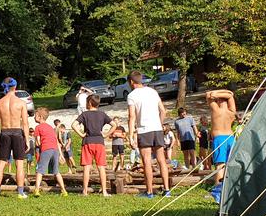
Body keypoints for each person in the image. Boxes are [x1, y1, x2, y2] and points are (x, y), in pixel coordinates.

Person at [126, 70, 171, 199]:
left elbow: (132, 116)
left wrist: (130, 135)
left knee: (146, 161)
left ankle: (149, 191)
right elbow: (163, 110)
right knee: (161, 160)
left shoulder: (132, 95)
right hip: (157, 129)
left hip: (143, 130)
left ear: (131, 82)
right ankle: (167, 190)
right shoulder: (152, 91)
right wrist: (159, 123)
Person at [0, 77, 30, 199]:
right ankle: (20, 192)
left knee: (0, 164)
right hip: (17, 133)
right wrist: (27, 140)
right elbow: (25, 123)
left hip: (4, 132)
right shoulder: (21, 103)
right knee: (19, 164)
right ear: (15, 87)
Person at [73, 94, 115, 196]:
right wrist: (106, 134)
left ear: (90, 103)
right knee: (101, 167)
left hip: (87, 142)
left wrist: (82, 135)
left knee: (87, 167)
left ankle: (85, 191)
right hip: (99, 142)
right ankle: (104, 191)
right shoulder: (102, 114)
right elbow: (114, 125)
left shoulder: (84, 114)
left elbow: (73, 125)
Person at [208, 89, 237, 199]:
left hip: (220, 138)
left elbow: (208, 95)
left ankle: (218, 194)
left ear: (218, 101)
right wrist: (227, 93)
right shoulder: (232, 112)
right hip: (231, 138)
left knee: (220, 165)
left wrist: (215, 93)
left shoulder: (216, 110)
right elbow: (231, 95)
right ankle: (229, 190)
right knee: (229, 165)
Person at [33, 107, 68, 197]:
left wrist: (38, 149)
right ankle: (64, 190)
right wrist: (60, 154)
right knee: (56, 172)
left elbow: (38, 142)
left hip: (46, 149)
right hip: (55, 150)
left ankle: (36, 190)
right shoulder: (50, 128)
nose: (34, 117)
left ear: (40, 116)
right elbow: (56, 141)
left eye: (35, 116)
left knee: (39, 171)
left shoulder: (38, 127)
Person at [173, 107, 199, 172]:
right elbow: (177, 131)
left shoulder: (190, 118)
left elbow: (194, 127)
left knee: (192, 153)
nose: (183, 113)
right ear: (179, 114)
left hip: (190, 138)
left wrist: (197, 136)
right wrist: (177, 140)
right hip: (183, 140)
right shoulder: (177, 121)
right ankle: (187, 168)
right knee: (185, 154)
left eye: (184, 112)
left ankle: (194, 167)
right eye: (182, 112)